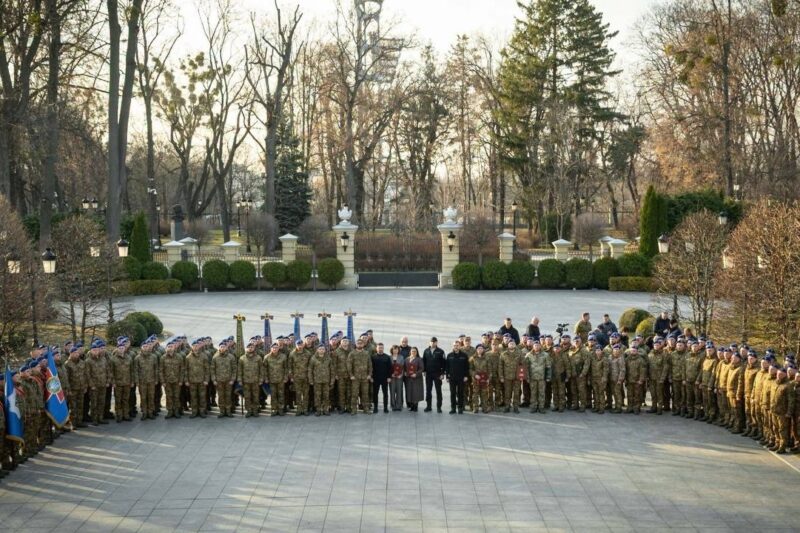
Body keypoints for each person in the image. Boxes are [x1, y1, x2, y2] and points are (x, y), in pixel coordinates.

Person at [109, 337, 134, 422]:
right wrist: (113, 382)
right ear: (117, 348)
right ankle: (119, 415)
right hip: (118, 383)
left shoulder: (129, 358)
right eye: (119, 348)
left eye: (123, 348)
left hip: (127, 382)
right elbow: (111, 372)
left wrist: (132, 381)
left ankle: (125, 415)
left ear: (125, 348)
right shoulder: (113, 359)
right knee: (118, 400)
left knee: (126, 400)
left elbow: (132, 371)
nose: (121, 349)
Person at [159, 339, 185, 419]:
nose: (170, 348)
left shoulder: (179, 357)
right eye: (168, 347)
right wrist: (163, 381)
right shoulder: (163, 358)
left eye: (171, 346)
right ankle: (170, 411)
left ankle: (176, 411)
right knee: (169, 396)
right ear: (166, 348)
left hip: (177, 381)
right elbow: (161, 370)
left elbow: (182, 370)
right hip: (167, 381)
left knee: (176, 396)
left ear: (174, 348)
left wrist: (181, 380)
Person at [239, 340, 264, 417]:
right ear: (246, 348)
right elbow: (239, 370)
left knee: (255, 396)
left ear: (254, 348)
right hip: (246, 381)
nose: (250, 348)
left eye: (252, 347)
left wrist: (261, 379)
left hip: (255, 381)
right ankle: (249, 410)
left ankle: (255, 410)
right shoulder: (242, 358)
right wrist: (240, 380)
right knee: (247, 396)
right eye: (248, 347)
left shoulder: (258, 358)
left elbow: (261, 370)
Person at [348, 338, 373, 415]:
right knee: (354, 394)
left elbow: (370, 365)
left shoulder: (366, 353)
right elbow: (349, 365)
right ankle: (354, 409)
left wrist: (369, 374)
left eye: (361, 343)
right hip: (355, 378)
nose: (359, 344)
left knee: (365, 394)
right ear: (356, 344)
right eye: (358, 343)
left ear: (363, 344)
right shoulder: (352, 353)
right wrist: (351, 375)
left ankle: (366, 408)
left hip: (365, 378)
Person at [525, 339, 550, 414]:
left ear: (540, 346)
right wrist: (527, 377)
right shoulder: (529, 355)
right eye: (535, 345)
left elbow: (548, 366)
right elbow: (526, 367)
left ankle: (541, 407)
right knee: (533, 393)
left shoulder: (545, 355)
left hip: (542, 378)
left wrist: (548, 377)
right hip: (533, 377)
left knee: (541, 393)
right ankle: (533, 407)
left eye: (538, 345)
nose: (536, 346)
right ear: (533, 346)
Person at [264, 343, 288, 416]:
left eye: (276, 347)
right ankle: (274, 409)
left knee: (281, 394)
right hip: (271, 380)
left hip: (281, 379)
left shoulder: (283, 357)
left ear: (278, 348)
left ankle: (280, 409)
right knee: (273, 395)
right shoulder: (267, 357)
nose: (275, 349)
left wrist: (285, 377)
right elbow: (264, 369)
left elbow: (286, 368)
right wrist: (266, 378)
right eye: (273, 348)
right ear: (271, 348)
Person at [445, 341, 469, 414]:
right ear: (453, 346)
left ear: (460, 346)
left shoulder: (464, 355)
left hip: (461, 378)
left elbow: (466, 367)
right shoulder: (449, 355)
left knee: (460, 393)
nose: (456, 347)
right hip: (452, 378)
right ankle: (453, 408)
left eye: (457, 345)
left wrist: (466, 376)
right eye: (455, 345)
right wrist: (447, 377)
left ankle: (460, 408)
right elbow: (447, 367)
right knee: (452, 393)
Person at [308, 345, 333, 416]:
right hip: (317, 380)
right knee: (317, 396)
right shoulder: (313, 358)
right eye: (320, 349)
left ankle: (326, 409)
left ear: (325, 350)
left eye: (323, 349)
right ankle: (318, 410)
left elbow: (332, 370)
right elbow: (310, 369)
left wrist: (332, 380)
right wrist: (311, 380)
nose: (321, 350)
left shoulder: (328, 358)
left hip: (326, 380)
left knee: (326, 396)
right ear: (317, 350)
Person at [423, 337, 445, 413]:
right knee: (428, 391)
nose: (433, 343)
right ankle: (428, 406)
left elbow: (443, 363)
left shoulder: (441, 351)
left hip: (437, 374)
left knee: (438, 391)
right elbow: (424, 362)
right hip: (428, 374)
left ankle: (439, 407)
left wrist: (442, 374)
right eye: (431, 342)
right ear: (429, 342)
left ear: (436, 342)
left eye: (434, 342)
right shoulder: (426, 351)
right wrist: (424, 371)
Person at [371, 343, 391, 413]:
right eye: (379, 348)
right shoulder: (373, 357)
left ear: (383, 348)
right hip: (375, 378)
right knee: (375, 393)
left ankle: (385, 408)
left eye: (381, 348)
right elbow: (371, 368)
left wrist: (389, 377)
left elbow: (389, 368)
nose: (380, 349)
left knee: (385, 393)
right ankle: (375, 407)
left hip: (385, 378)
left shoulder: (387, 357)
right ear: (376, 348)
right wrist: (371, 377)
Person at [404, 347, 424, 412]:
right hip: (409, 379)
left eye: (415, 351)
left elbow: (421, 369)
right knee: (410, 392)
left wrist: (416, 374)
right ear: (410, 352)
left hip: (416, 379)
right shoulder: (407, 359)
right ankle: (411, 406)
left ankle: (415, 407)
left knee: (416, 393)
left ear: (417, 352)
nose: (413, 352)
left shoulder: (419, 359)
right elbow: (404, 368)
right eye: (412, 351)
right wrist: (405, 373)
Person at [389, 345, 405, 411]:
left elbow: (403, 367)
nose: (395, 350)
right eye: (394, 349)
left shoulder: (401, 357)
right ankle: (393, 405)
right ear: (392, 350)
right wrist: (390, 375)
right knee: (392, 391)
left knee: (399, 391)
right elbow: (388, 368)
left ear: (398, 350)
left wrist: (401, 375)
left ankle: (399, 405)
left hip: (399, 377)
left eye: (396, 349)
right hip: (392, 377)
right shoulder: (389, 357)